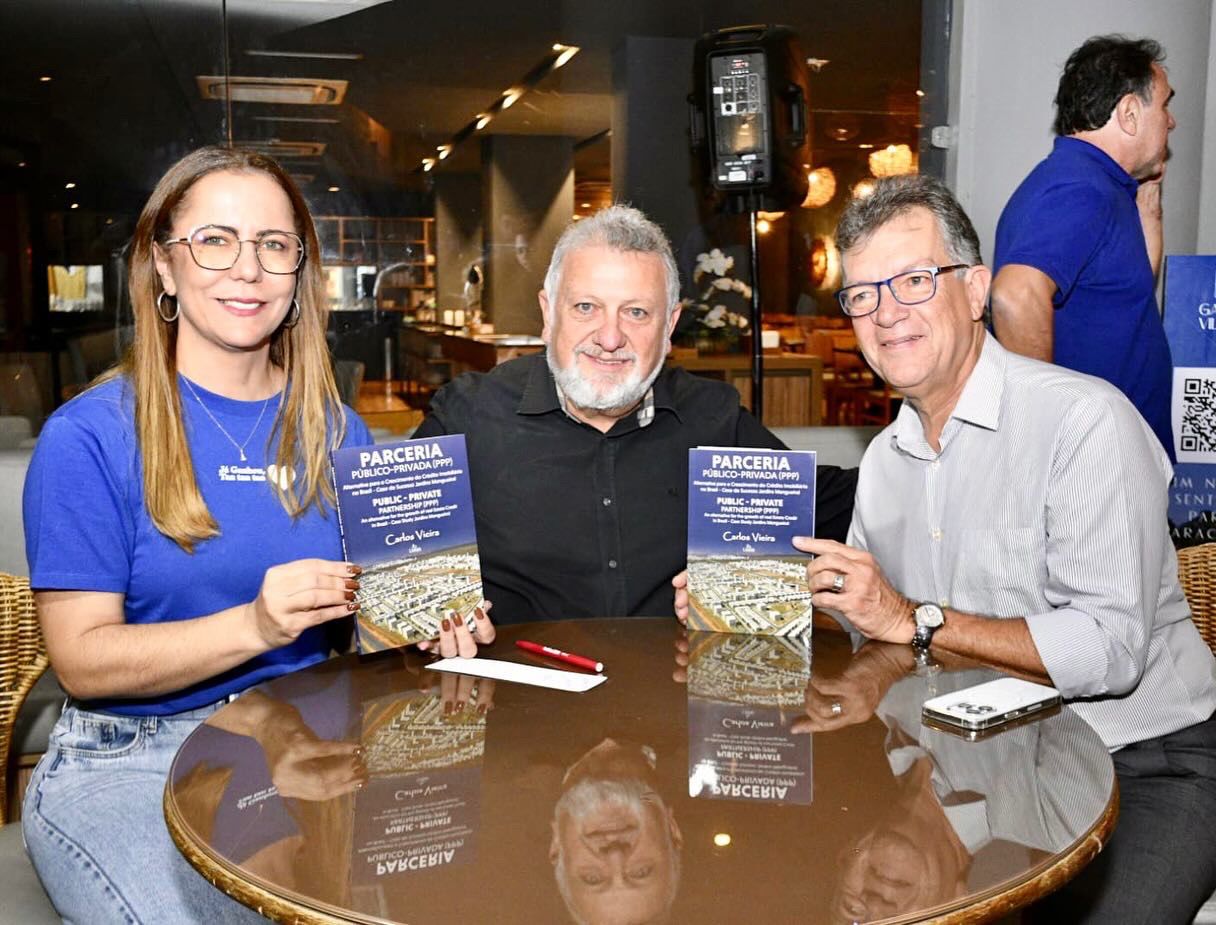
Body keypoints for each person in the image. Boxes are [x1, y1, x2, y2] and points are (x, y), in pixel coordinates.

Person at [20, 146, 492, 923]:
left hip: (298, 737)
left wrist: (434, 620)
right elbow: (82, 662)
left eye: (274, 245)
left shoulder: (338, 431)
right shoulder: (90, 436)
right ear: (163, 267)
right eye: (215, 240)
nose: (248, 269)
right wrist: (255, 624)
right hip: (129, 757)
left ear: (299, 275)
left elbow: (379, 620)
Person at [772, 174, 1216, 922]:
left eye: (913, 280)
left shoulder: (1084, 423)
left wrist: (914, 617)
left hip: (1145, 760)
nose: (887, 314)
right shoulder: (883, 462)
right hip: (976, 758)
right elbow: (869, 619)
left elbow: (1109, 651)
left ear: (975, 290)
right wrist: (758, 593)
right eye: (864, 294)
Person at [413, 204, 858, 624]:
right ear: (549, 314)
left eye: (636, 312)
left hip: (672, 693)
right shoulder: (467, 417)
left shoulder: (716, 419)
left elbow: (836, 506)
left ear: (668, 327)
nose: (610, 337)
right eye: (586, 307)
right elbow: (397, 573)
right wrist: (434, 627)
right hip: (516, 695)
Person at [990, 35, 1176, 460]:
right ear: (1129, 113)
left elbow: (1130, 292)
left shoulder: (1103, 185)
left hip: (1118, 461)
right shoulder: (1078, 187)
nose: (1171, 121)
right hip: (1092, 468)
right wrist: (1047, 433)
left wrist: (1148, 195)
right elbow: (1014, 295)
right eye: (1164, 105)